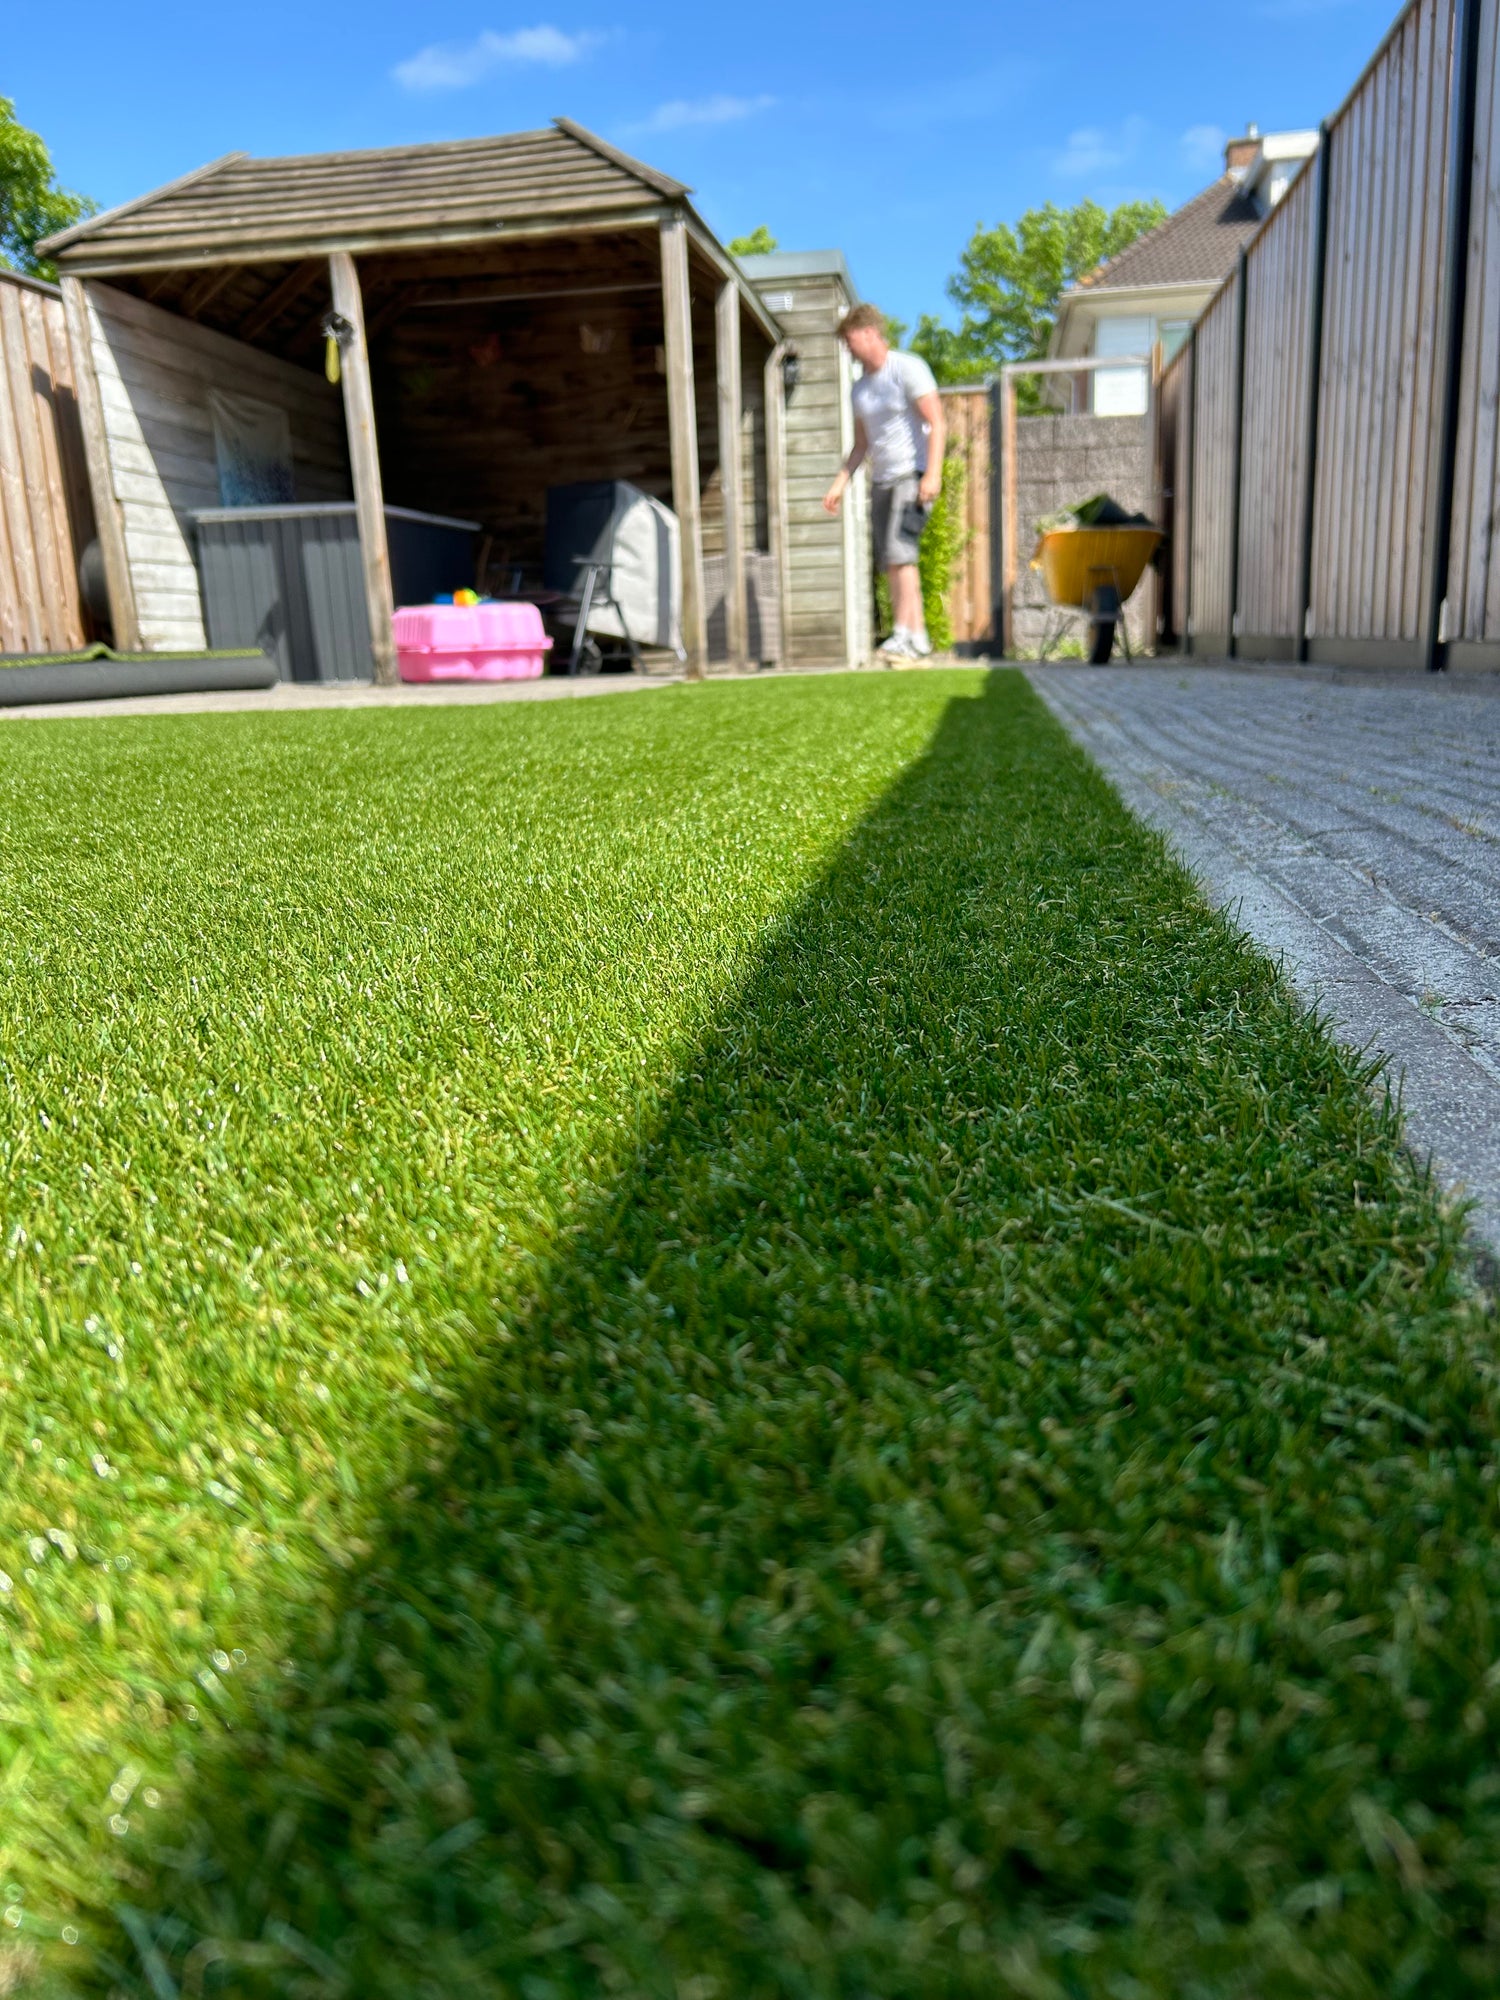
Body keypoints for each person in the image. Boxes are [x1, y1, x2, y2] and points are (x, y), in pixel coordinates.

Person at [823, 304, 945, 662]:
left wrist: (933, 473)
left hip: (914, 473)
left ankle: (903, 633)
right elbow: (862, 445)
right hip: (882, 480)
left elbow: (937, 421)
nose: (848, 349)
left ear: (869, 333)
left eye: (849, 341)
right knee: (893, 559)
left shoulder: (907, 369)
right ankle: (917, 636)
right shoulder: (859, 390)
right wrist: (839, 483)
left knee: (899, 553)